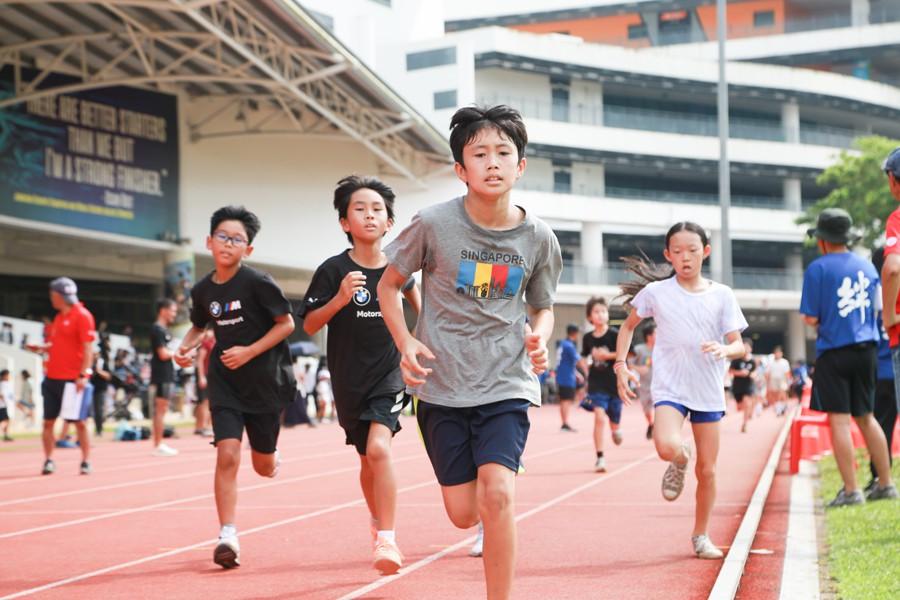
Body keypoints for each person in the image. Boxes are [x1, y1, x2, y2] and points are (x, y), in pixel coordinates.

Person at [378, 104, 562, 600]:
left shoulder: (539, 237)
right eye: (479, 154)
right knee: (463, 513)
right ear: (461, 169)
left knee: (498, 495)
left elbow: (542, 306)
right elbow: (389, 285)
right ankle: (485, 483)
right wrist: (405, 340)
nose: (492, 162)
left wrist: (540, 335)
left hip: (506, 382)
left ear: (520, 166)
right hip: (442, 385)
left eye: (503, 152)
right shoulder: (433, 223)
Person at [299, 174, 421, 575]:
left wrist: (417, 343)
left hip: (389, 373)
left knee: (380, 449)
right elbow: (310, 325)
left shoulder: (399, 269)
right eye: (360, 209)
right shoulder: (333, 269)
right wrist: (339, 298)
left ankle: (387, 537)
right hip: (349, 379)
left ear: (389, 222)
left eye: (377, 210)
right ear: (344, 222)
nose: (369, 215)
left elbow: (421, 306)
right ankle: (376, 519)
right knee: (367, 458)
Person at [615, 222, 748, 560]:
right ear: (668, 255)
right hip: (670, 386)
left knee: (708, 471)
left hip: (707, 389)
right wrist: (620, 364)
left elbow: (739, 345)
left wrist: (724, 349)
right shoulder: (657, 293)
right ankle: (680, 456)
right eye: (677, 251)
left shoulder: (722, 295)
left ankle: (701, 535)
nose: (685, 257)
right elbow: (628, 327)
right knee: (665, 446)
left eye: (692, 250)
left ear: (706, 252)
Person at [174, 206, 296, 569]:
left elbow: (286, 324)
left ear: (248, 249)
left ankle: (271, 455)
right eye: (222, 237)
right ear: (209, 242)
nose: (228, 244)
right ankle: (227, 534)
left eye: (237, 239)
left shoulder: (258, 282)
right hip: (225, 382)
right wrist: (185, 347)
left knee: (262, 466)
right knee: (227, 453)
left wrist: (250, 351)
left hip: (264, 382)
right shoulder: (202, 290)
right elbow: (199, 326)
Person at [800, 208, 896, 505]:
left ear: (822, 240)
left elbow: (810, 317)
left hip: (834, 350)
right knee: (867, 417)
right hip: (867, 350)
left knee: (840, 421)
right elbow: (877, 308)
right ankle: (886, 483)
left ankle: (852, 490)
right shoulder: (867, 267)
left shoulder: (818, 269)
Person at [25, 277, 96, 475]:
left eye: (53, 295)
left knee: (80, 423)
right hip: (52, 378)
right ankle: (48, 460)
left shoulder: (82, 316)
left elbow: (88, 348)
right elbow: (59, 345)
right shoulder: (58, 318)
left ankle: (86, 460)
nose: (51, 299)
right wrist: (41, 347)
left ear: (59, 295)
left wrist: (83, 374)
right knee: (48, 422)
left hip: (72, 380)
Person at [868, 247, 898, 494]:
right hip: (893, 364)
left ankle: (880, 477)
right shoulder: (895, 289)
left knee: (880, 425)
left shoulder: (870, 291)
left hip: (879, 369)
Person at [579, 297, 623, 472]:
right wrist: (585, 365)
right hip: (596, 384)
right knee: (599, 417)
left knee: (614, 421)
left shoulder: (614, 334)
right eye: (596, 312)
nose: (600, 314)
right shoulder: (587, 338)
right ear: (590, 316)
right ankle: (600, 457)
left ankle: (616, 428)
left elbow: (625, 353)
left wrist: (607, 356)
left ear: (608, 314)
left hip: (614, 383)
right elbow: (584, 356)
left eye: (603, 311)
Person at [150, 298, 180, 457]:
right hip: (161, 374)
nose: (174, 314)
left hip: (167, 373)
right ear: (163, 310)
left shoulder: (164, 330)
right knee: (160, 410)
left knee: (163, 409)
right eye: (172, 311)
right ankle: (158, 444)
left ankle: (159, 443)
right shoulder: (157, 329)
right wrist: (178, 353)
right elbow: (162, 354)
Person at [632, 323, 656, 440]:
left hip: (660, 385)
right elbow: (629, 363)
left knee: (660, 407)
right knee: (646, 409)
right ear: (649, 336)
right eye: (656, 333)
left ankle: (658, 426)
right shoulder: (639, 349)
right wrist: (639, 368)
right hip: (644, 385)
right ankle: (651, 424)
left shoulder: (662, 349)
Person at [555, 324, 580, 432]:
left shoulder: (562, 344)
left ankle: (564, 422)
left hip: (561, 375)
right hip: (567, 377)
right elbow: (578, 360)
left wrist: (577, 373)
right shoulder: (569, 346)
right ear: (575, 333)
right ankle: (565, 423)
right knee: (566, 401)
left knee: (563, 400)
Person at [729, 339, 756, 433]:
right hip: (737, 387)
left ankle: (744, 424)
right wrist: (740, 373)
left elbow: (755, 372)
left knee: (747, 403)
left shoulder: (752, 361)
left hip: (748, 386)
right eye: (744, 347)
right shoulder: (736, 360)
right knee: (740, 407)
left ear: (750, 349)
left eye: (747, 347)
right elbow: (730, 371)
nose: (746, 349)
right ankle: (746, 410)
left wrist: (752, 374)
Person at [194, 328, 215, 436]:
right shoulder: (206, 343)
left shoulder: (216, 341)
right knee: (205, 402)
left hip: (213, 375)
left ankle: (203, 426)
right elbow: (200, 360)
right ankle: (204, 426)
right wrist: (201, 376)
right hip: (206, 375)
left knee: (208, 402)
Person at [766, 346, 792, 417]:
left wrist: (789, 381)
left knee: (782, 393)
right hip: (773, 379)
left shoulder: (784, 362)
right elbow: (768, 373)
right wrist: (767, 383)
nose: (777, 354)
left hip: (782, 379)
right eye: (776, 353)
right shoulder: (771, 362)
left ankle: (783, 406)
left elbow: (787, 373)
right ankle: (778, 408)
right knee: (776, 394)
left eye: (779, 353)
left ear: (781, 354)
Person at [0, 369, 13, 441]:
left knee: (6, 420)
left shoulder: (5, 383)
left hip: (4, 405)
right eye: (8, 375)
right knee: (5, 421)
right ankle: (6, 435)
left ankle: (6, 435)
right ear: (4, 376)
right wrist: (6, 402)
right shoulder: (3, 384)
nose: (9, 377)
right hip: (2, 405)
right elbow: (1, 394)